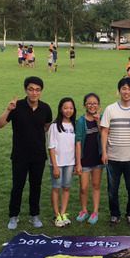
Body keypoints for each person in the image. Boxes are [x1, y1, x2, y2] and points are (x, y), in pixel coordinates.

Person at [0, 76, 52, 230]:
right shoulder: (16, 107)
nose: (34, 93)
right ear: (25, 90)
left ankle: (34, 215)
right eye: (31, 89)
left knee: (36, 186)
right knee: (17, 186)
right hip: (20, 155)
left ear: (41, 91)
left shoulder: (45, 108)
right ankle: (14, 216)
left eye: (37, 90)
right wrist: (8, 110)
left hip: (38, 155)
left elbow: (46, 126)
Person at [100, 77, 130, 228]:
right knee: (112, 190)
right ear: (119, 90)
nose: (126, 91)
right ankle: (115, 214)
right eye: (124, 88)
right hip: (113, 158)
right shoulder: (110, 109)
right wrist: (104, 152)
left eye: (129, 89)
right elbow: (104, 131)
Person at [75, 93, 104, 224]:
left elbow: (104, 135)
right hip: (85, 159)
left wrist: (98, 121)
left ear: (98, 104)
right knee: (84, 187)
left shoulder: (102, 118)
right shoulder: (81, 121)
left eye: (95, 103)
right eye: (89, 103)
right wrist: (78, 163)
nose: (92, 106)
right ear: (85, 105)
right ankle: (84, 210)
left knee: (96, 185)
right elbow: (78, 142)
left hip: (98, 158)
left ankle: (95, 211)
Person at [48, 97, 77, 227]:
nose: (68, 110)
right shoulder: (54, 126)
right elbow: (51, 147)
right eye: (65, 108)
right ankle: (56, 215)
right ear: (60, 109)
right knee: (56, 188)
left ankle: (63, 213)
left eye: (71, 108)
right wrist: (55, 166)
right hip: (57, 163)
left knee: (66, 187)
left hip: (70, 163)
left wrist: (76, 164)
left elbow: (77, 145)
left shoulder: (75, 125)